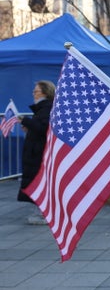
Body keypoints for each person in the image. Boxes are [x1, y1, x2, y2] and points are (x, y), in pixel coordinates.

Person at [17, 80, 55, 225]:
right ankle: (41, 211)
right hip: (36, 151)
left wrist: (25, 121)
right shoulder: (43, 108)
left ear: (44, 93)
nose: (34, 94)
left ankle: (42, 213)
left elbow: (43, 128)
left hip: (38, 152)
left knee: (38, 182)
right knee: (36, 181)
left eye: (36, 91)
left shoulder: (46, 108)